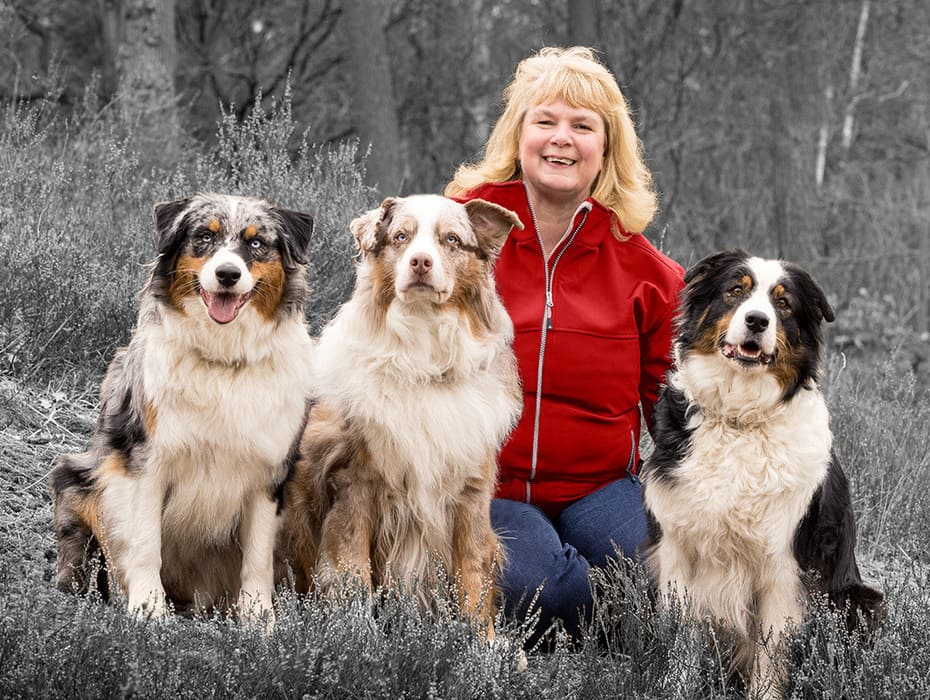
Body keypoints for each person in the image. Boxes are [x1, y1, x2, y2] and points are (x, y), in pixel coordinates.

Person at [445, 46, 685, 644]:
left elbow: (675, 408)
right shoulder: (454, 236)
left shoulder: (648, 272)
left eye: (583, 126)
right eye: (545, 121)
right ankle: (586, 608)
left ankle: (618, 610)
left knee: (668, 580)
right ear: (517, 134)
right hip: (487, 487)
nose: (562, 139)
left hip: (601, 489)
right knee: (545, 590)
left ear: (606, 148)